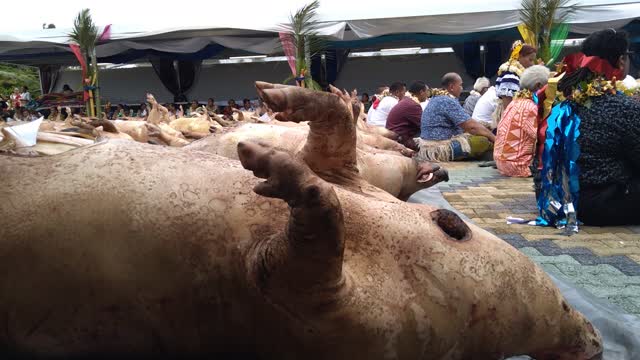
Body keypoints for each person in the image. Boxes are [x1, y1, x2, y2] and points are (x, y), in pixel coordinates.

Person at [535, 29, 640, 227]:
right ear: (620, 61)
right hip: (599, 204)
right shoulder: (624, 107)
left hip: (553, 201)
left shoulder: (561, 103)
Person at [417, 73, 495, 162]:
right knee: (483, 141)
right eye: (460, 85)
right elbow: (472, 127)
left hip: (428, 147)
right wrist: (495, 139)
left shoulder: (437, 98)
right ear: (451, 87)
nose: (462, 88)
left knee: (482, 132)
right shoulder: (447, 100)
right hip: (439, 149)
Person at [493, 65, 550, 177]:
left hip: (502, 162)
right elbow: (540, 136)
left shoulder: (515, 102)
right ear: (539, 85)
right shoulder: (530, 107)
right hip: (518, 165)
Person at [495, 41, 537, 124]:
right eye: (530, 60)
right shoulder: (510, 75)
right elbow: (508, 105)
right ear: (520, 56)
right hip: (512, 120)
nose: (532, 64)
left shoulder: (517, 74)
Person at [385, 81, 429, 151]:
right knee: (432, 135)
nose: (428, 94)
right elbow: (425, 125)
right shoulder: (413, 105)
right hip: (400, 139)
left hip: (394, 135)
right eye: (427, 91)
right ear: (421, 92)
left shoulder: (407, 101)